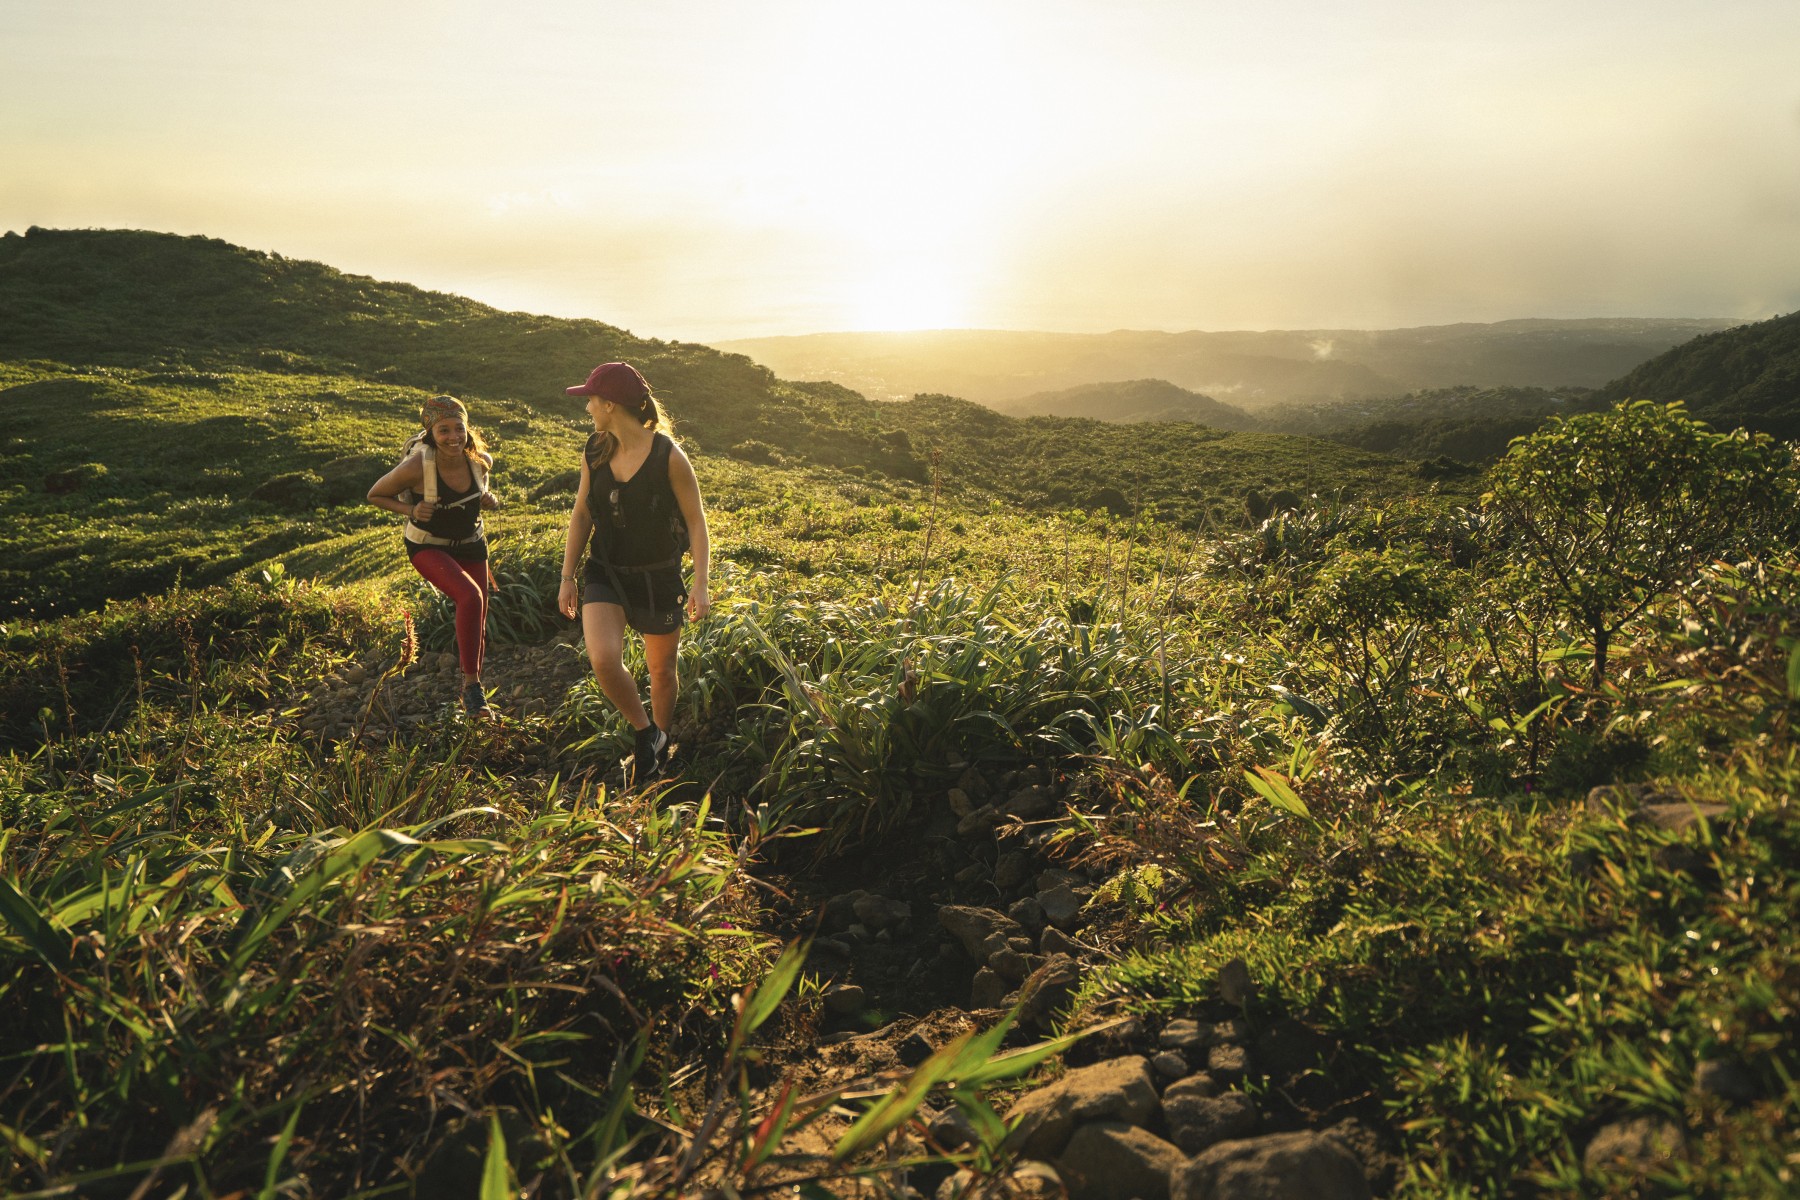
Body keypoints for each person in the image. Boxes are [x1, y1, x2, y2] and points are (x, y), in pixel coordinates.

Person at [557, 362, 711, 783]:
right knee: (604, 659)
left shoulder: (669, 456)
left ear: (610, 404)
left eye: (591, 399)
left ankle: (660, 741)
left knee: (661, 671)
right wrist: (568, 575)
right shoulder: (595, 449)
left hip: (658, 576)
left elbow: (697, 522)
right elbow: (583, 512)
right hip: (605, 571)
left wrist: (700, 583)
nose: (587, 407)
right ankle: (647, 734)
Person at [367, 395, 502, 717]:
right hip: (428, 544)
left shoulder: (480, 461)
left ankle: (473, 687)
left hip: (471, 541)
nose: (454, 437)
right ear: (430, 432)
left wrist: (489, 500)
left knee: (478, 612)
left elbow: (481, 491)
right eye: (444, 430)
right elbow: (375, 494)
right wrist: (410, 509)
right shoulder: (416, 466)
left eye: (460, 429)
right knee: (469, 597)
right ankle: (472, 690)